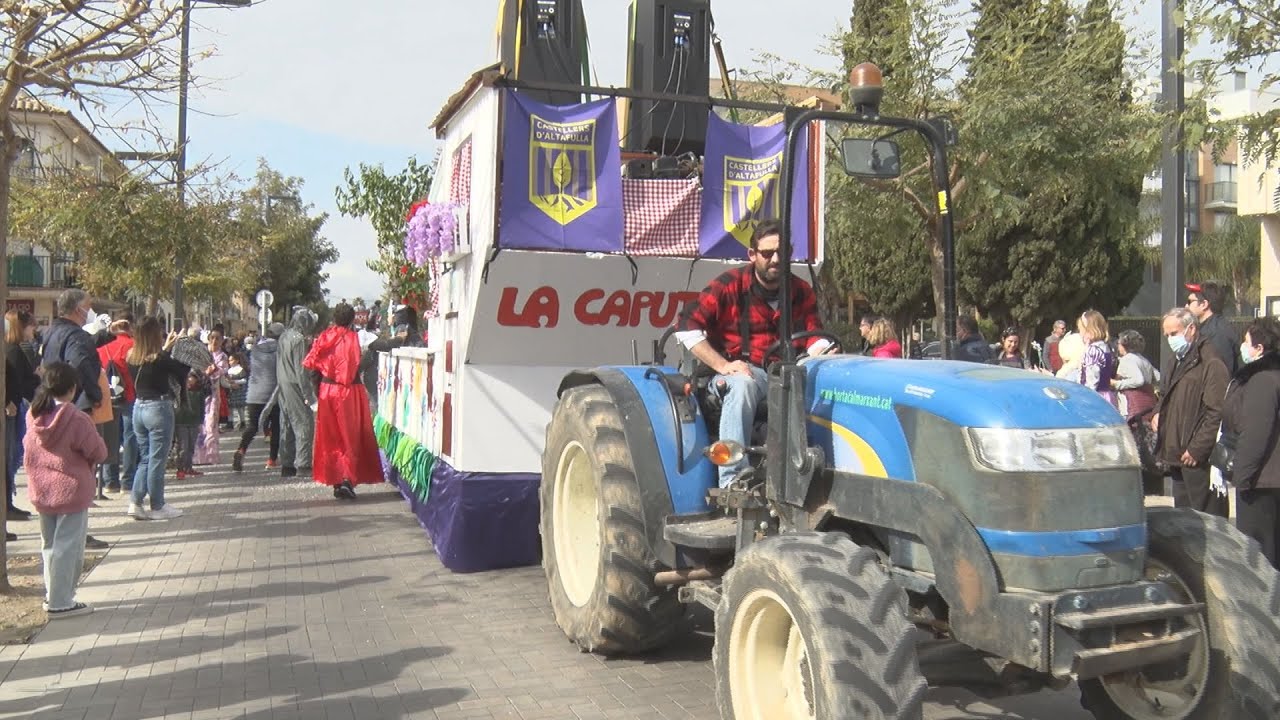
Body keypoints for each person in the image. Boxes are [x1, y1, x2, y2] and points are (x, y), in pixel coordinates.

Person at [675, 220, 831, 487]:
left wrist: (821, 349)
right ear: (752, 254)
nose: (775, 260)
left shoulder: (801, 291)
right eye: (767, 253)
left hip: (785, 372)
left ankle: (817, 470)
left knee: (826, 385)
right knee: (743, 384)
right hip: (744, 372)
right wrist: (723, 365)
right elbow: (685, 327)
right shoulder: (728, 286)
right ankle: (733, 478)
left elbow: (814, 335)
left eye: (782, 253)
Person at [24, 362, 107, 619]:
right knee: (68, 547)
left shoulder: (33, 415)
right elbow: (98, 451)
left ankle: (53, 595)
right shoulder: (77, 418)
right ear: (72, 390)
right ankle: (61, 601)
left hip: (41, 488)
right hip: (72, 490)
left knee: (49, 545)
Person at [39, 289, 108, 550]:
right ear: (77, 309)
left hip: (51, 407)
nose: (89, 310)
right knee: (78, 470)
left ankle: (59, 530)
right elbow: (80, 362)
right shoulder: (76, 336)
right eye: (88, 306)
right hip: (74, 408)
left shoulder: (51, 333)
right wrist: (94, 392)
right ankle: (76, 531)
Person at [1153, 307, 1230, 517]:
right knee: (1185, 523)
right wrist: (1158, 413)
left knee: (1206, 522)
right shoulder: (1176, 361)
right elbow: (1167, 394)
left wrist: (1198, 448)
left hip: (1198, 460)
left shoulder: (1211, 362)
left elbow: (1217, 411)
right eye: (1167, 335)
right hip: (1177, 454)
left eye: (1174, 333)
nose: (1170, 339)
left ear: (1191, 329)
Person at [302, 304, 384, 500]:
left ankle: (336, 480)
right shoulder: (357, 337)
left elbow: (311, 365)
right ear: (352, 319)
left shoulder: (323, 337)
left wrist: (316, 391)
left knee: (331, 436)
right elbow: (377, 349)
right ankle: (348, 478)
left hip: (327, 391)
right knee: (350, 435)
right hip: (349, 391)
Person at [1220, 317, 1280, 569]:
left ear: (1259, 348)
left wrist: (1241, 477)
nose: (1242, 347)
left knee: (1260, 560)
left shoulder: (1263, 380)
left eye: (1246, 342)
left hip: (1262, 482)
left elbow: (1256, 433)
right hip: (1269, 480)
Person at [126, 317, 189, 521]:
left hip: (138, 408)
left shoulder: (131, 357)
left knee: (145, 458)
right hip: (158, 408)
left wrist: (165, 349)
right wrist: (172, 348)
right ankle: (157, 505)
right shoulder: (160, 358)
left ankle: (135, 502)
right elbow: (182, 369)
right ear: (155, 335)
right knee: (157, 460)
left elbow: (152, 361)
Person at [233, 322, 283, 474]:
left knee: (252, 426)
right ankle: (272, 460)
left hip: (254, 393)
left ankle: (241, 449)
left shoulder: (255, 350)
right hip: (273, 394)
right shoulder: (280, 350)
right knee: (276, 427)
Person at [5, 310, 40, 527]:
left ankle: (8, 503)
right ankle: (6, 505)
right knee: (9, 458)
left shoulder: (14, 350)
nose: (34, 330)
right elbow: (16, 380)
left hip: (15, 407)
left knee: (11, 458)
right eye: (31, 326)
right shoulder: (13, 351)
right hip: (12, 409)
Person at [97, 317, 137, 494]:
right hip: (129, 395)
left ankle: (110, 481)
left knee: (109, 438)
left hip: (108, 397)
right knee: (130, 438)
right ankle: (128, 482)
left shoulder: (102, 348)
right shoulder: (133, 345)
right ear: (130, 327)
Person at [277, 308, 319, 476]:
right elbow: (302, 371)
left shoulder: (284, 336)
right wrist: (310, 397)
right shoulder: (299, 340)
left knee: (286, 424)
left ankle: (287, 464)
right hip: (294, 385)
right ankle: (303, 464)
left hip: (282, 384)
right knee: (304, 423)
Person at [1186, 281, 1237, 376]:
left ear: (1204, 304)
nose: (1186, 306)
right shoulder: (1208, 328)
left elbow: (1219, 375)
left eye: (1190, 302)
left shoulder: (1216, 333)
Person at [192, 330, 227, 466]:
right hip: (199, 394)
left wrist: (210, 371)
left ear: (222, 340)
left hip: (212, 394)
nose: (214, 341)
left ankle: (211, 455)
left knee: (211, 424)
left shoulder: (222, 356)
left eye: (217, 338)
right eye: (212, 338)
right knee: (200, 425)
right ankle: (199, 457)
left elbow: (219, 371)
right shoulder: (201, 354)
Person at [1112, 330, 1159, 420]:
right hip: (1148, 404)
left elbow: (1138, 380)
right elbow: (1158, 377)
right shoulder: (1143, 359)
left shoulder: (1127, 359)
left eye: (1118, 343)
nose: (1117, 346)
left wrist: (1116, 384)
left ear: (1123, 345)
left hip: (1132, 406)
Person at [1077, 310, 1117, 406]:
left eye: (1081, 329)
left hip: (1095, 398)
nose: (1080, 333)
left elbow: (1092, 381)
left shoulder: (1093, 350)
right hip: (1106, 395)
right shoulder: (1104, 346)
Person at [174, 371, 207, 480]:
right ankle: (180, 469)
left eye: (192, 378)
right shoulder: (179, 391)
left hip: (194, 422)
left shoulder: (199, 392)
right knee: (183, 446)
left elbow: (202, 408)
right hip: (181, 422)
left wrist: (200, 422)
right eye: (188, 378)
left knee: (191, 447)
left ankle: (189, 467)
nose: (190, 380)